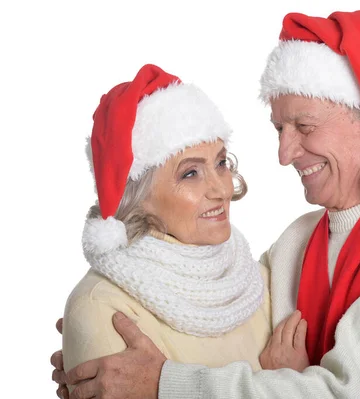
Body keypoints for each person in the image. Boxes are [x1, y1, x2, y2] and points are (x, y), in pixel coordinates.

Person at [51, 10, 360, 398]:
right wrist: (95, 351)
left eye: (304, 127)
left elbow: (342, 393)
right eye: (278, 129)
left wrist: (164, 384)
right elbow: (223, 332)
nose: (284, 154)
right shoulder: (295, 244)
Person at [56, 64, 310, 398]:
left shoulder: (258, 280)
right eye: (190, 174)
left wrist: (293, 386)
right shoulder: (103, 308)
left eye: (220, 162)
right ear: (137, 196)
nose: (221, 188)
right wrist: (287, 387)